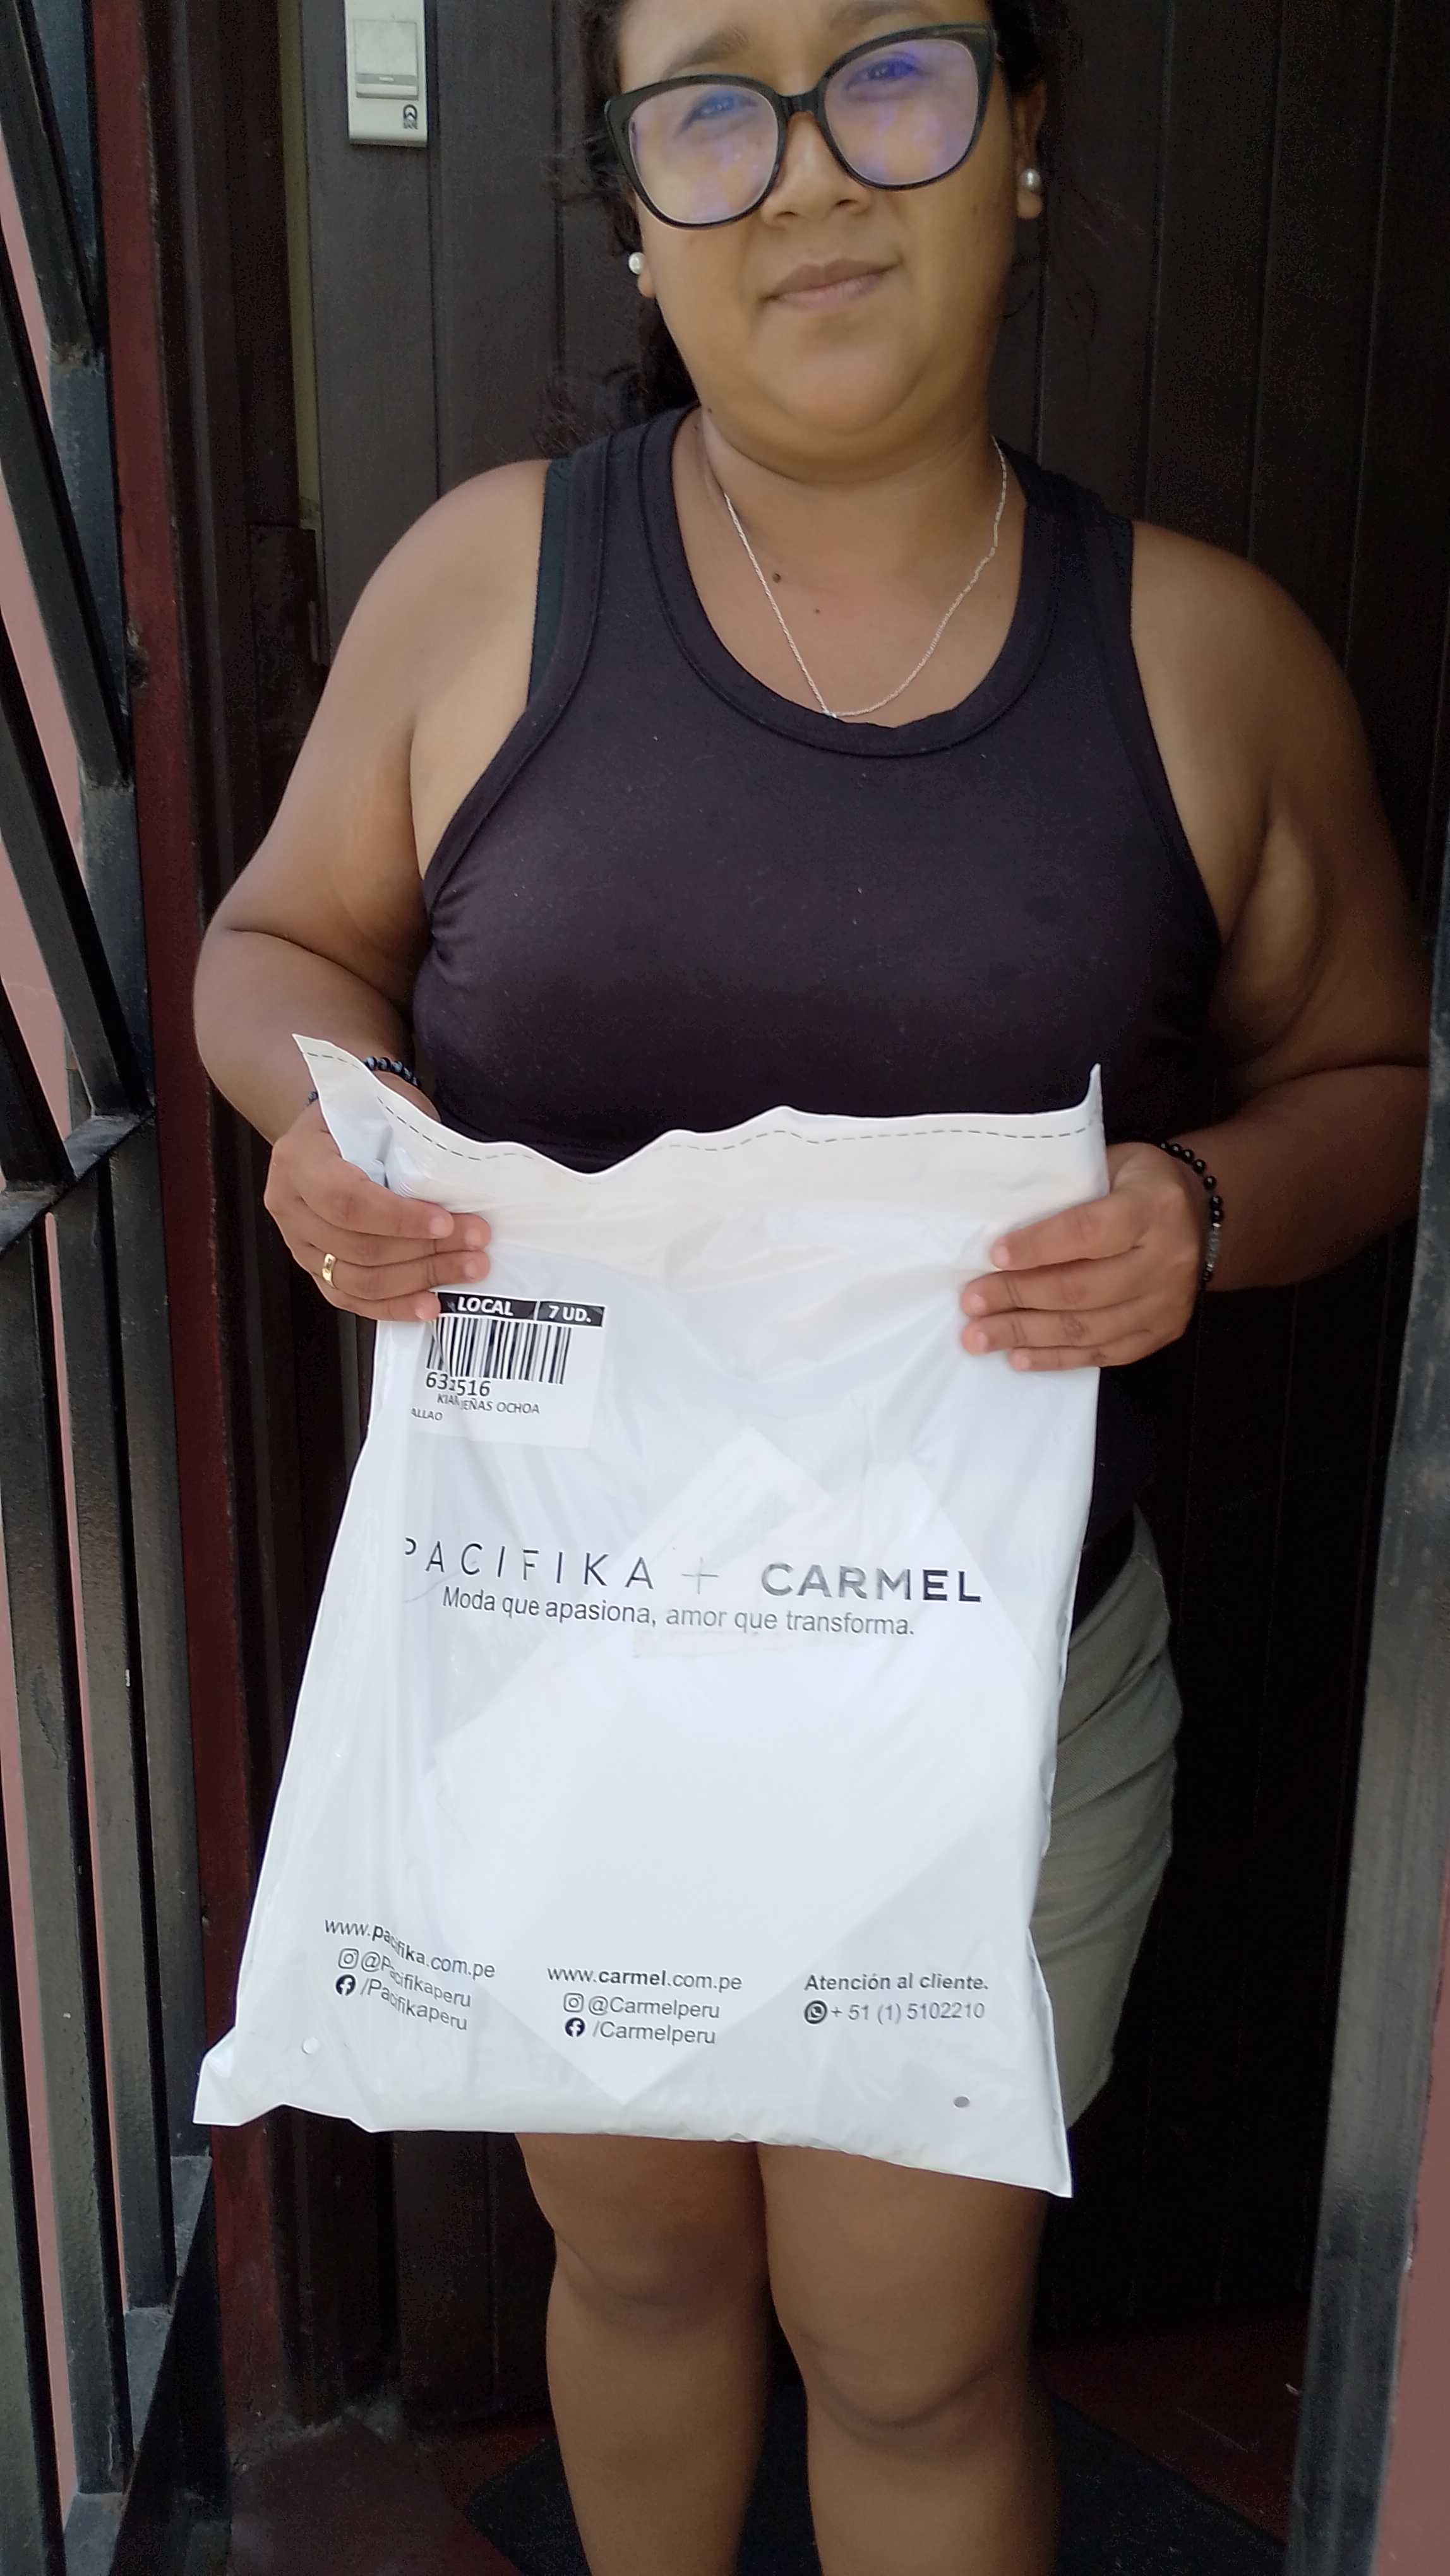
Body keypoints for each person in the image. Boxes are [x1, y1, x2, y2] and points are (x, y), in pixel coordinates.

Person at [193, 4, 1430, 2569]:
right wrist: (334, 1135)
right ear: (635, 207)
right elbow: (275, 945)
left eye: (891, 74)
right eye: (710, 108)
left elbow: (1367, 1084)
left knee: (906, 2348)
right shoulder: (488, 584)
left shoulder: (1203, 658)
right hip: (562, 1654)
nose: (804, 173)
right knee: (640, 2273)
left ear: (1024, 142)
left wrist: (1205, 1211)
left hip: (982, 1697)